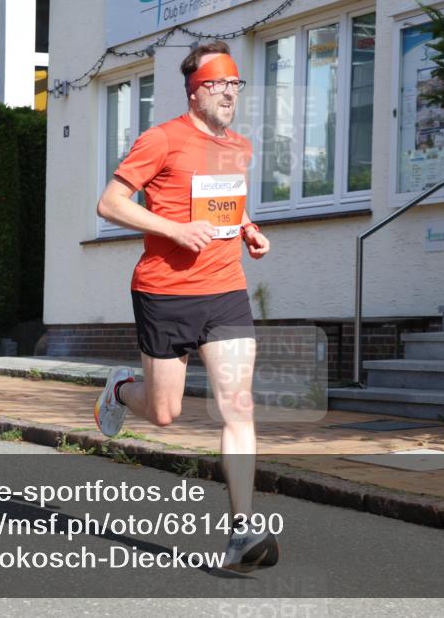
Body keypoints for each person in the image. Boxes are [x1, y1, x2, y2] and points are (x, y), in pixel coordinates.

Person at [94, 41, 278, 573]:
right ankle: (122, 390)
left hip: (224, 290)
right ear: (193, 91)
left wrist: (248, 231)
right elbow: (110, 204)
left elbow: (227, 207)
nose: (227, 92)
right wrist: (174, 228)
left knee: (237, 403)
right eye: (216, 84)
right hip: (165, 292)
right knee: (166, 412)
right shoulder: (162, 140)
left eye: (234, 84)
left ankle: (241, 529)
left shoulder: (240, 147)